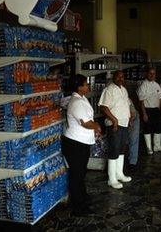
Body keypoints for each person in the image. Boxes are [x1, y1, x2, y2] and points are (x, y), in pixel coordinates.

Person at [62, 74, 101, 216]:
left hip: (81, 142)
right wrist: (97, 126)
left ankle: (83, 198)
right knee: (76, 176)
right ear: (79, 87)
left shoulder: (81, 98)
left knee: (80, 173)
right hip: (75, 144)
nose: (88, 86)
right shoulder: (76, 102)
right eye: (85, 84)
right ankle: (78, 208)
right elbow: (85, 123)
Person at [99, 70, 132, 189]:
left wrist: (129, 119)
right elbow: (103, 107)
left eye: (122, 76)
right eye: (118, 76)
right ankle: (111, 179)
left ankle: (119, 174)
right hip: (114, 125)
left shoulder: (123, 89)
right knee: (114, 149)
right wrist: (114, 120)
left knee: (122, 149)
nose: (120, 78)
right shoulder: (109, 89)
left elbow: (126, 105)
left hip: (124, 124)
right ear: (114, 77)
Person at [137, 68, 161, 155]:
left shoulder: (157, 85)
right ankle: (149, 148)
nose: (152, 75)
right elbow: (141, 101)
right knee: (148, 128)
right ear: (147, 74)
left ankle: (157, 146)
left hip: (156, 109)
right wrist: (144, 113)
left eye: (153, 73)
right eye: (150, 73)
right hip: (147, 109)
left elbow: (160, 99)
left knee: (158, 127)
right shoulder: (143, 85)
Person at [127, 97, 140, 172]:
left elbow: (133, 113)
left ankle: (132, 162)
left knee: (133, 138)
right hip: (120, 119)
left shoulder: (126, 98)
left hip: (133, 117)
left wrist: (130, 121)